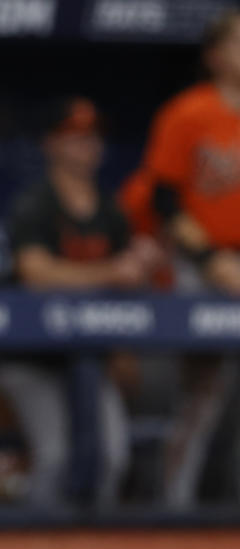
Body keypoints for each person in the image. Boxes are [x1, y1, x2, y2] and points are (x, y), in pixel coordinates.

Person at [0, 98, 162, 508]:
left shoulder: (111, 210)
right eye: (75, 137)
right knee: (55, 458)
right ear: (52, 143)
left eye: (92, 137)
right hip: (32, 360)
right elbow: (36, 273)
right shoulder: (35, 203)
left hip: (91, 357)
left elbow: (130, 280)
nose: (86, 146)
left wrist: (139, 269)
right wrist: (111, 271)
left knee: (111, 455)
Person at [119, 10, 240, 508]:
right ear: (215, 55)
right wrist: (213, 261)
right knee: (199, 393)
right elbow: (165, 199)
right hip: (200, 267)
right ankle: (174, 509)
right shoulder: (189, 112)